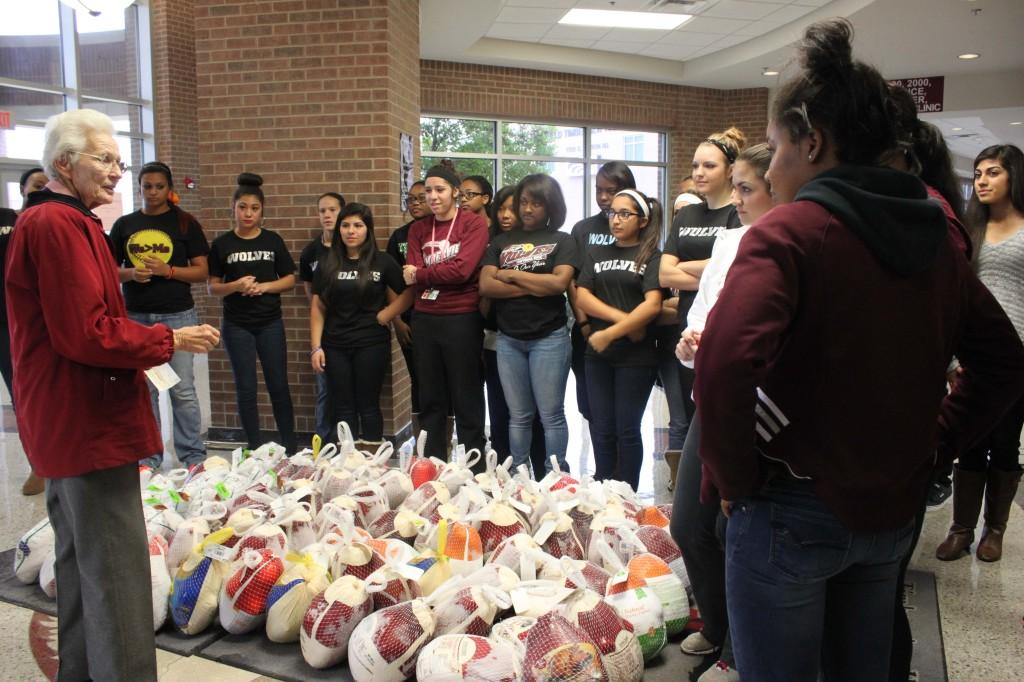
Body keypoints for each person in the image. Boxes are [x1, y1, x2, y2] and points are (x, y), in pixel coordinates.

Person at [693, 19, 1024, 682]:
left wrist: (733, 480)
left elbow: (725, 360)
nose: (770, 166)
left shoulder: (791, 231)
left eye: (776, 147)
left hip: (788, 506)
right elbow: (1004, 361)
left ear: (813, 141)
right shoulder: (939, 235)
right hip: (889, 510)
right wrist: (936, 443)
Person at [6, 108, 219, 681]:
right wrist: (167, 337)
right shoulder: (57, 225)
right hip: (87, 425)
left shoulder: (68, 222)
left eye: (118, 161)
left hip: (70, 423)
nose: (116, 173)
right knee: (118, 575)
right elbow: (87, 331)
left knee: (81, 566)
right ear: (63, 162)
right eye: (103, 159)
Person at [669, 143, 774, 682]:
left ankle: (737, 649)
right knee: (687, 525)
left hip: (759, 410)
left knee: (733, 531)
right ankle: (715, 622)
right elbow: (702, 315)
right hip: (713, 397)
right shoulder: (729, 239)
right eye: (734, 185)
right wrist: (691, 343)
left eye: (746, 187)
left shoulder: (789, 244)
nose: (734, 197)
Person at [935, 143, 1024, 563]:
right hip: (972, 358)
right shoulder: (969, 232)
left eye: (994, 173)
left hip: (1017, 360)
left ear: (1014, 178)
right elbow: (953, 300)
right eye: (981, 173)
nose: (984, 180)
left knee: (1005, 446)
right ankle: (961, 529)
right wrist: (953, 359)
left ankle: (995, 531)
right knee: (969, 442)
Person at [109, 161, 211, 471]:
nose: (153, 192)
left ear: (169, 190)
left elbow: (203, 271)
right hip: (136, 317)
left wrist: (168, 270)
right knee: (145, 389)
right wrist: (130, 273)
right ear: (139, 188)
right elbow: (108, 272)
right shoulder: (124, 225)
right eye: (147, 186)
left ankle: (193, 457)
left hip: (178, 315)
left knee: (181, 389)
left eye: (159, 186)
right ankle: (148, 458)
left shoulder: (185, 224)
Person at [659, 128, 744, 479]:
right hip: (686, 332)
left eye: (709, 165)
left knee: (716, 415)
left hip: (722, 326)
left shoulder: (737, 214)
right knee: (687, 416)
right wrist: (710, 266)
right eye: (695, 165)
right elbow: (664, 275)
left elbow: (732, 269)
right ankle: (689, 486)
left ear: (730, 170)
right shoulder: (686, 216)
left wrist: (687, 267)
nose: (698, 173)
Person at [480, 174, 578, 475]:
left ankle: (556, 476)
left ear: (550, 207)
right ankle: (518, 475)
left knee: (551, 415)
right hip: (509, 340)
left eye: (536, 203)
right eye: (524, 202)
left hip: (549, 338)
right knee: (518, 415)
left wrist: (511, 274)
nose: (527, 209)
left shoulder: (562, 240)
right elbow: (486, 285)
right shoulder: (500, 241)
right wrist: (538, 284)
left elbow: (559, 282)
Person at [575, 189, 664, 490]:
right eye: (613, 212)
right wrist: (623, 323)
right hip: (598, 355)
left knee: (626, 429)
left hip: (636, 357)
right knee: (601, 428)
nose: (616, 219)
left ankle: (626, 497)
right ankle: (602, 492)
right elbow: (582, 295)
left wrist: (612, 333)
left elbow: (653, 304)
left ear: (642, 220)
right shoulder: (596, 253)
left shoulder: (652, 256)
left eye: (625, 213)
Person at [403, 165, 489, 461]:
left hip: (461, 317)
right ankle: (433, 465)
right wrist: (428, 274)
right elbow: (408, 271)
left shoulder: (473, 225)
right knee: (431, 399)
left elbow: (463, 269)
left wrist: (423, 274)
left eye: (439, 190)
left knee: (466, 397)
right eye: (428, 191)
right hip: (425, 317)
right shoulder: (418, 229)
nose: (433, 196)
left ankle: (474, 469)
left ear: (455, 192)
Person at [209, 173, 298, 454]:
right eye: (242, 207)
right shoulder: (222, 244)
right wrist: (235, 285)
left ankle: (291, 447)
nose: (248, 213)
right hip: (237, 325)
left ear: (262, 212)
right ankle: (254, 447)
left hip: (270, 322)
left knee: (278, 385)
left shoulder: (272, 240)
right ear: (233, 208)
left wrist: (265, 287)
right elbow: (213, 288)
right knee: (246, 388)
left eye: (254, 208)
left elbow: (290, 279)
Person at [310, 202, 410, 447]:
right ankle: (348, 463)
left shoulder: (382, 262)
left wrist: (386, 315)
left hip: (371, 344)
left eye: (357, 225)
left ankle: (373, 463)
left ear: (368, 229)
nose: (350, 231)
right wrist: (316, 347)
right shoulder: (327, 263)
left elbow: (410, 293)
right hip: (334, 345)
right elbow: (318, 306)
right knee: (343, 405)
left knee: (368, 404)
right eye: (345, 225)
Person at [480, 184, 547, 475]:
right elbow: (485, 292)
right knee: (501, 412)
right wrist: (530, 288)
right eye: (501, 209)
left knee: (537, 414)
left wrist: (511, 283)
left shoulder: (540, 248)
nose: (507, 215)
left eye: (513, 208)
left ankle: (543, 474)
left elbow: (552, 286)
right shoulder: (493, 245)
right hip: (496, 339)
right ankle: (506, 475)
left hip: (538, 339)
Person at [569, 162, 637, 424]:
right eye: (599, 190)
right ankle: (603, 465)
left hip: (630, 331)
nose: (603, 197)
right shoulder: (583, 229)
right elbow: (572, 283)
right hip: (587, 329)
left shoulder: (640, 228)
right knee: (590, 407)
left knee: (624, 415)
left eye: (610, 190)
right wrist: (584, 322)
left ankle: (621, 465)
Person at [1, 166, 48, 496]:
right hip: (5, 323)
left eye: (46, 185)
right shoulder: (8, 218)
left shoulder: (45, 225)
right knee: (21, 396)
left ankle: (45, 463)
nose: (40, 190)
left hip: (27, 324)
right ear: (22, 189)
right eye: (35, 185)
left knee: (32, 395)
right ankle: (39, 463)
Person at [300, 191, 345, 440]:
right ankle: (325, 442)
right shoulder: (310, 253)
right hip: (324, 329)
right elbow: (311, 294)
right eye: (322, 211)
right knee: (325, 389)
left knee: (347, 389)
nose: (327, 215)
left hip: (350, 327)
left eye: (332, 210)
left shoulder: (351, 248)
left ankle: (349, 442)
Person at [387, 181, 430, 436]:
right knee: (418, 378)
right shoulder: (399, 237)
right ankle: (419, 436)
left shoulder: (442, 233)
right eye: (411, 199)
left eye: (420, 198)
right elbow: (389, 282)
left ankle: (442, 436)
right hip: (408, 319)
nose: (415, 203)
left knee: (438, 380)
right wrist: (397, 321)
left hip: (436, 314)